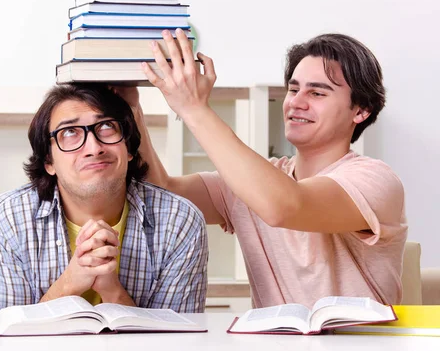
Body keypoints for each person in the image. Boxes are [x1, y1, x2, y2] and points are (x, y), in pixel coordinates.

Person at [120, 30, 407, 309]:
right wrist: (132, 111)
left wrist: (194, 109)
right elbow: (162, 195)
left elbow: (285, 206)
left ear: (361, 110)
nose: (296, 102)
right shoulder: (256, 182)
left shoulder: (376, 181)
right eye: (293, 89)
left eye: (317, 93)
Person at [0, 84, 208, 312]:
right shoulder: (6, 219)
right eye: (69, 132)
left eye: (106, 127)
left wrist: (112, 291)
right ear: (49, 161)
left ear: (130, 148)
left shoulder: (179, 221)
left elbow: (177, 342)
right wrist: (69, 283)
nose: (94, 148)